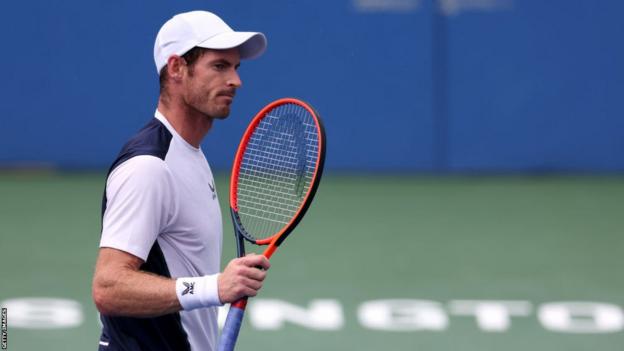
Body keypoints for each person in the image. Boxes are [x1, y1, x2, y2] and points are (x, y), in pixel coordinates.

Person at [91, 10, 270, 351]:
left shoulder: (190, 155)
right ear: (176, 68)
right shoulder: (149, 166)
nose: (235, 80)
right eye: (219, 66)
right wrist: (215, 288)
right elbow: (108, 288)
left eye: (235, 68)